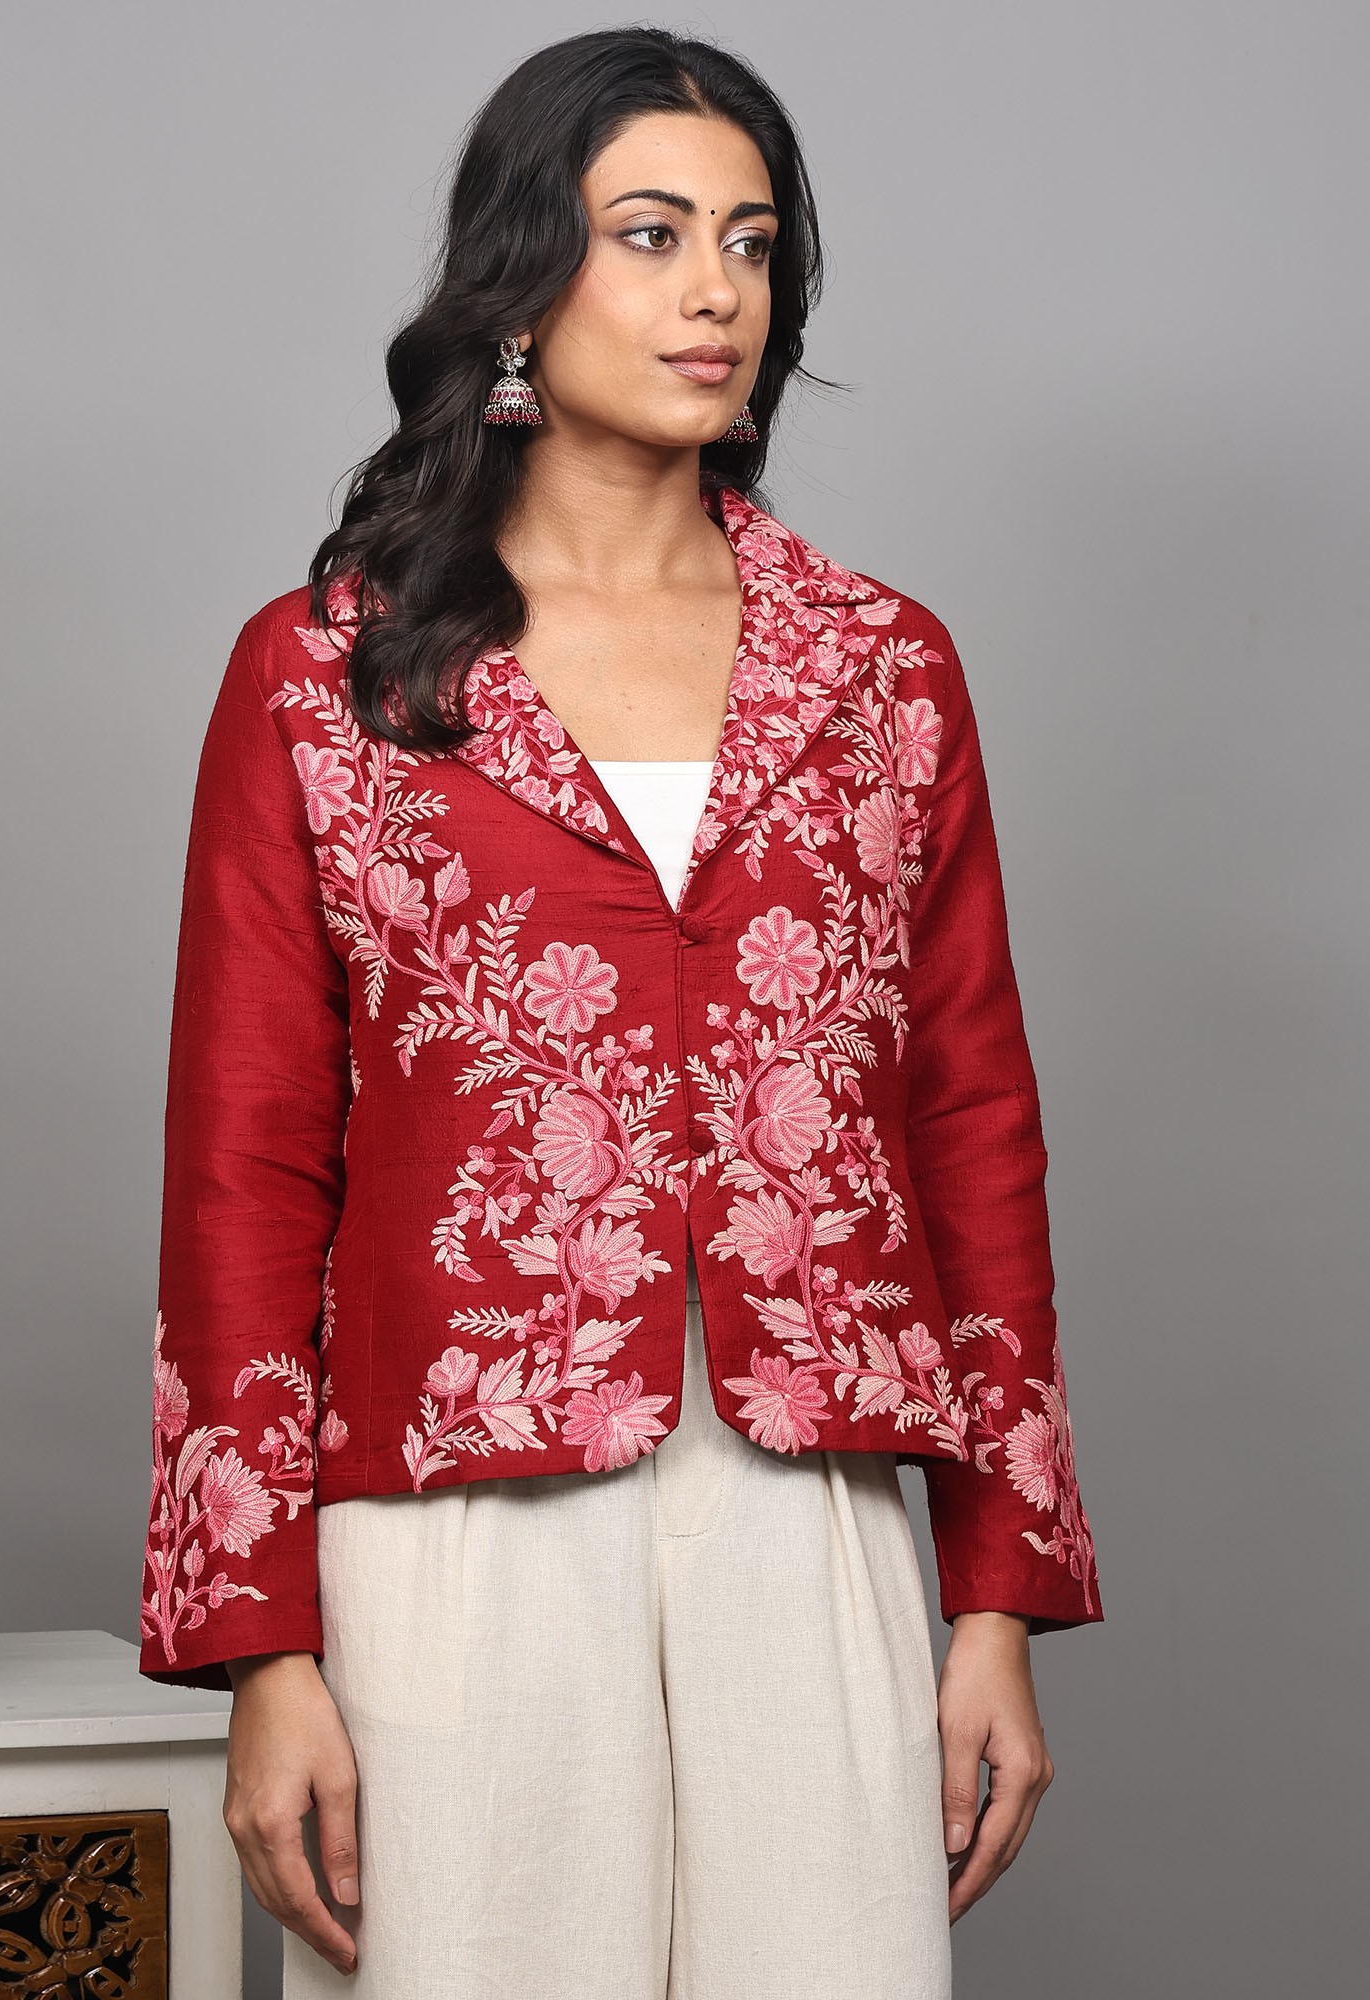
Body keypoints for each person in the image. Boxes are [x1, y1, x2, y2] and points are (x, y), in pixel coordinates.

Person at [139, 27, 1103, 1998]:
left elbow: (972, 1127)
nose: (715, 291)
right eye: (650, 234)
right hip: (450, 1508)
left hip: (812, 1497)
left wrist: (995, 1600)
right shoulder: (329, 676)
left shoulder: (883, 670)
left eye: (751, 242)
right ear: (520, 283)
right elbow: (244, 1159)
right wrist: (264, 1649)